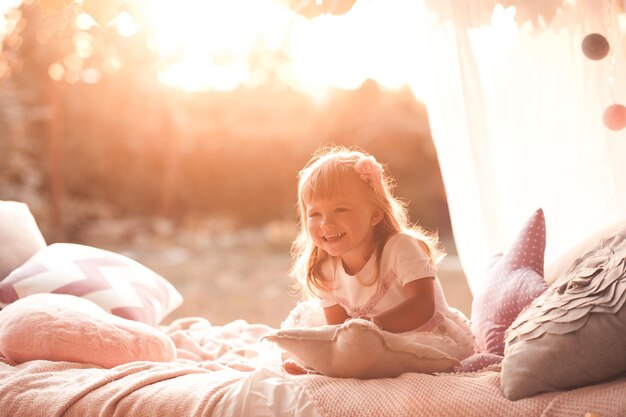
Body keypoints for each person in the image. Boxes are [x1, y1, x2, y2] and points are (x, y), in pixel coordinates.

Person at [289, 146, 476, 360]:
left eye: (340, 209)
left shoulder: (401, 247)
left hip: (419, 331)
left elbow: (423, 307)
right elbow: (338, 330)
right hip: (365, 339)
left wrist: (372, 328)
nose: (326, 223)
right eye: (314, 213)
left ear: (375, 214)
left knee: (405, 355)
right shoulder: (325, 269)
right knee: (316, 340)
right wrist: (351, 342)